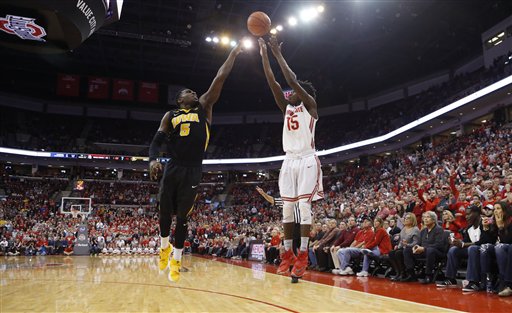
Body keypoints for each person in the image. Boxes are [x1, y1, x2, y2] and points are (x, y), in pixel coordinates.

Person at [150, 43, 243, 282]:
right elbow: (156, 141)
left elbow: (220, 77)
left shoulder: (204, 107)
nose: (193, 92)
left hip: (193, 169)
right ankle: (163, 247)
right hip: (174, 165)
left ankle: (177, 260)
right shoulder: (171, 115)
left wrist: (232, 53)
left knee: (183, 217)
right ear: (180, 99)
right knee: (164, 210)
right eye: (188, 91)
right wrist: (152, 161)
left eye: (193, 91)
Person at [258, 36, 323, 282]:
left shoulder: (310, 105)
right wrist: (264, 56)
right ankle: (288, 253)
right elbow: (273, 82)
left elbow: (290, 81)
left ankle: (303, 254)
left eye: (292, 92)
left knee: (303, 207)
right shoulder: (286, 108)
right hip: (289, 160)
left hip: (307, 159)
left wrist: (277, 54)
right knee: (286, 208)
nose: (288, 93)